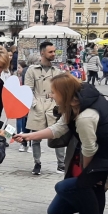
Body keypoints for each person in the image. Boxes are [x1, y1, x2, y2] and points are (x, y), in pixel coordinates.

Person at [15, 73, 108, 214]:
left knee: (86, 184)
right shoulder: (76, 101)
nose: (51, 96)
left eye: (54, 92)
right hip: (107, 146)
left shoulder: (86, 117)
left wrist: (88, 172)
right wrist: (28, 136)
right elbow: (58, 128)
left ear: (65, 94)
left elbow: (89, 149)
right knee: (95, 186)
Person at [24, 41, 65, 175]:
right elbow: (28, 89)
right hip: (38, 104)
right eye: (50, 52)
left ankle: (61, 164)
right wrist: (34, 104)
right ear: (42, 53)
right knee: (35, 138)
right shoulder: (32, 70)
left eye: (54, 51)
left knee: (58, 135)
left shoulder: (57, 71)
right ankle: (37, 163)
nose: (53, 54)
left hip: (53, 105)